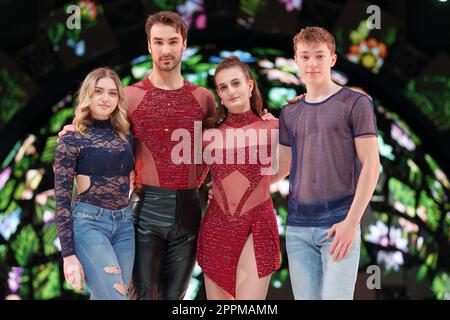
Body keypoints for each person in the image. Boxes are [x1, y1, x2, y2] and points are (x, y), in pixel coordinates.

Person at [279, 26, 380, 299]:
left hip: (339, 223)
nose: (312, 63)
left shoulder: (355, 103)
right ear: (296, 59)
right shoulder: (289, 111)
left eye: (319, 56)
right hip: (298, 228)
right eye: (305, 56)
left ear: (332, 59)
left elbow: (372, 165)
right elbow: (281, 167)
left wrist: (351, 222)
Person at [197, 56, 290, 300]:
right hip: (216, 227)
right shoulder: (209, 135)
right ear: (219, 93)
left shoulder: (274, 128)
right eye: (223, 87)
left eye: (236, 83)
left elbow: (285, 167)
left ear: (250, 86)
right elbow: (192, 179)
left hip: (257, 226)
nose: (230, 91)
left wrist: (258, 184)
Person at [54, 67, 135, 300]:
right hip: (89, 225)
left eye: (112, 93)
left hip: (125, 226)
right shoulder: (71, 139)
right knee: (114, 297)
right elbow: (61, 200)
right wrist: (68, 256)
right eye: (98, 91)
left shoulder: (125, 136)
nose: (105, 98)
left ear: (119, 99)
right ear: (87, 95)